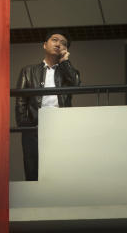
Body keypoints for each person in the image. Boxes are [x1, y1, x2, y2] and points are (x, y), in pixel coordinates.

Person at [15, 30, 80, 181]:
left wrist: (65, 62)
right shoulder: (28, 71)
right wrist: (25, 127)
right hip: (34, 126)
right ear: (45, 45)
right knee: (33, 168)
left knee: (60, 168)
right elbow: (21, 101)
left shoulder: (68, 71)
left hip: (61, 125)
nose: (58, 44)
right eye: (55, 40)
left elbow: (76, 84)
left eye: (63, 43)